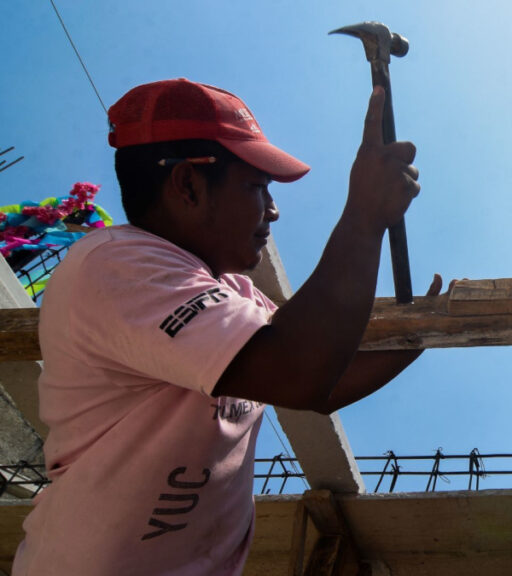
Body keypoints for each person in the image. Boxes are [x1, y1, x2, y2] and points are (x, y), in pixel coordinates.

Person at [13, 78, 437, 575]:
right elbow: (297, 369)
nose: (273, 210)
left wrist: (418, 337)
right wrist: (365, 217)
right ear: (188, 184)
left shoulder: (236, 296)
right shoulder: (118, 266)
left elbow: (323, 380)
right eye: (258, 187)